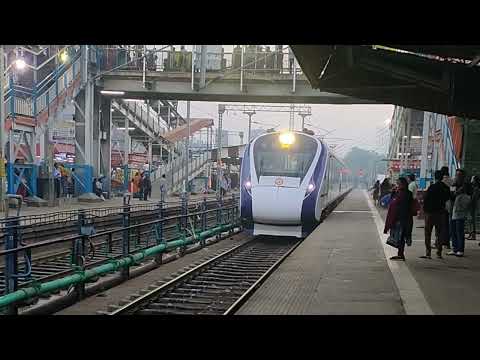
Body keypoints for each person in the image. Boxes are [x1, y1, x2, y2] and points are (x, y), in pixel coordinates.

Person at [421, 170, 451, 259]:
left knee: (428, 233)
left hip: (430, 213)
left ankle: (428, 252)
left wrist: (424, 210)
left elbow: (426, 199)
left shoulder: (432, 187)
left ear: (435, 177)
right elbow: (448, 198)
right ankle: (439, 252)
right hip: (440, 213)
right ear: (442, 177)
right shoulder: (446, 188)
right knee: (439, 233)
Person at [383, 177, 414, 261]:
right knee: (401, 236)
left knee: (400, 237)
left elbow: (396, 205)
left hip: (401, 218)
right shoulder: (407, 193)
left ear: (403, 184)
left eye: (398, 183)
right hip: (406, 218)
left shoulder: (401, 194)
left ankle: (400, 254)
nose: (397, 185)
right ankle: (400, 254)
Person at [448, 169, 472, 257]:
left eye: (459, 175)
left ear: (463, 176)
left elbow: (457, 195)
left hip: (460, 211)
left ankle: (460, 249)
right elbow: (451, 195)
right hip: (453, 209)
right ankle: (455, 248)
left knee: (459, 230)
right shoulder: (455, 184)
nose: (457, 177)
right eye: (456, 175)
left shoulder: (465, 186)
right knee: (453, 230)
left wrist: (456, 192)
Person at [467, 175, 480, 241]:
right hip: (472, 206)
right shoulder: (473, 188)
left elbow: (474, 198)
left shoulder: (476, 189)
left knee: (472, 221)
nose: (471, 180)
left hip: (473, 206)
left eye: (472, 179)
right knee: (470, 220)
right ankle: (471, 234)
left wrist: (468, 202)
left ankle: (473, 234)